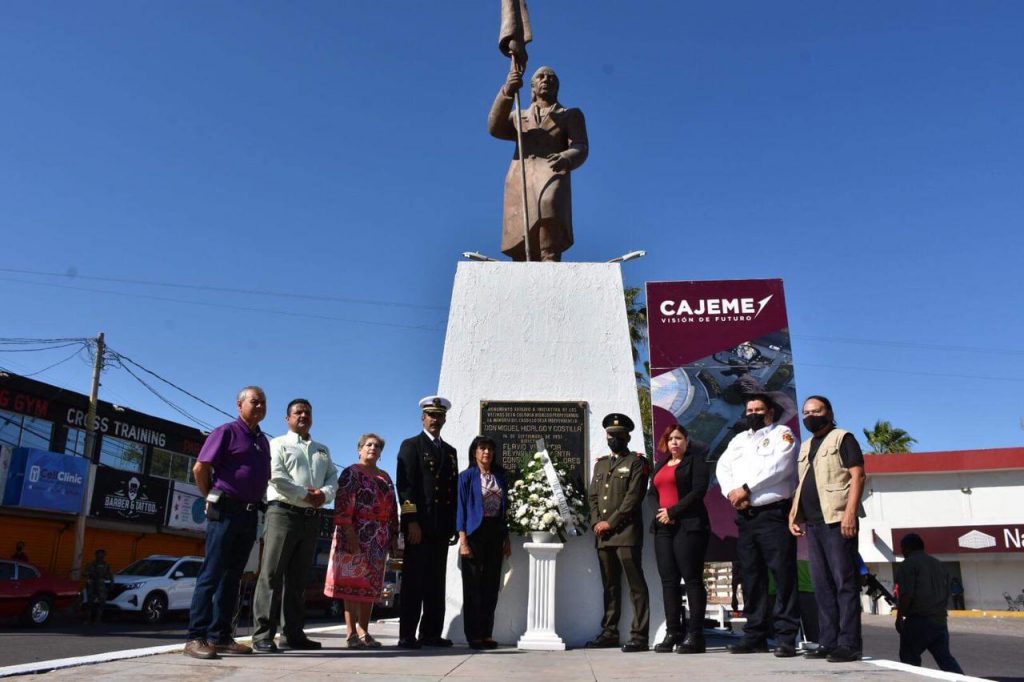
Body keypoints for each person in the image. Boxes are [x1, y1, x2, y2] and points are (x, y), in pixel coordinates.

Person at [185, 386, 271, 660]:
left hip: (249, 515)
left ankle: (221, 636)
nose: (259, 407)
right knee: (211, 574)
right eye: (254, 402)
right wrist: (211, 496)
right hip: (225, 511)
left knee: (232, 578)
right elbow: (201, 468)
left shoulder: (263, 440)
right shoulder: (226, 431)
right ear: (239, 405)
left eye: (263, 403)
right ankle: (195, 637)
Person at [716, 394, 801, 657]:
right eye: (749, 409)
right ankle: (755, 635)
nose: (753, 413)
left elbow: (780, 467)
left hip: (773, 515)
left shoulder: (782, 434)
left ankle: (786, 636)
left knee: (782, 575)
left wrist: (746, 489)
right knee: (752, 577)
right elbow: (723, 466)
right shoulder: (739, 440)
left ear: (770, 412)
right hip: (746, 516)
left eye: (758, 409)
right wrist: (731, 492)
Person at [252, 398, 338, 653]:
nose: (303, 416)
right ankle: (263, 635)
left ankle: (293, 633)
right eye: (298, 412)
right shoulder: (277, 443)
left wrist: (324, 494)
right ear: (288, 418)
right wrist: (305, 494)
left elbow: (333, 477)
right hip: (283, 513)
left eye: (307, 412)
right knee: (272, 574)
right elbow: (276, 477)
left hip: (311, 517)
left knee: (298, 579)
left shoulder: (322, 449)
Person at [788, 395, 866, 663]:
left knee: (844, 582)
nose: (810, 416)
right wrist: (794, 514)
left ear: (830, 412)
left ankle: (849, 643)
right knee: (822, 585)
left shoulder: (843, 438)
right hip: (814, 523)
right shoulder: (807, 445)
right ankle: (828, 640)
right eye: (806, 413)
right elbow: (803, 483)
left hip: (837, 519)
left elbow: (858, 475)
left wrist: (850, 514)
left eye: (816, 411)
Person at [488, 64, 588, 261]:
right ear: (532, 87)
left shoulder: (570, 114)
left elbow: (581, 146)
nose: (546, 80)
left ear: (557, 87)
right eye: (541, 77)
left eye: (551, 78)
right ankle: (522, 261)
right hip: (522, 175)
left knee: (548, 203)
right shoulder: (519, 116)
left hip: (552, 169)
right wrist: (508, 91)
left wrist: (567, 157)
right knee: (521, 222)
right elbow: (495, 127)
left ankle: (549, 254)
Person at [395, 396, 458, 649]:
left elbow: (451, 491)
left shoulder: (450, 452)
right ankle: (407, 634)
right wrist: (411, 522)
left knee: (435, 582)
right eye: (431, 415)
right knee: (414, 582)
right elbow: (406, 488)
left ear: (444, 419)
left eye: (439, 416)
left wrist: (453, 524)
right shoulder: (411, 446)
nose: (435, 420)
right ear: (423, 418)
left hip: (441, 527)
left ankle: (431, 633)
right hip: (419, 527)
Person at [325, 433, 399, 648]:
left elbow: (392, 508)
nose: (373, 448)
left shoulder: (385, 476)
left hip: (379, 538)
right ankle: (351, 635)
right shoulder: (351, 473)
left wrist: (394, 535)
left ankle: (364, 631)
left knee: (371, 587)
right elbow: (343, 505)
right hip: (353, 534)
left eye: (377, 446)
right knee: (352, 586)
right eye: (368, 445)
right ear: (359, 449)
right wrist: (350, 536)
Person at [585, 413, 651, 653]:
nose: (613, 438)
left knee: (636, 586)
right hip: (602, 535)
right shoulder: (600, 464)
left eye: (618, 435)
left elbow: (632, 499)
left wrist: (609, 523)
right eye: (610, 435)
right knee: (610, 586)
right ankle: (610, 632)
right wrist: (595, 522)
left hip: (626, 533)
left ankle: (639, 635)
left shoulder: (637, 462)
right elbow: (593, 497)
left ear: (627, 436)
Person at [647, 424, 710, 654]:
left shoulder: (696, 461)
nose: (674, 442)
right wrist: (662, 513)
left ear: (687, 440)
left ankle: (696, 635)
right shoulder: (661, 464)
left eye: (679, 438)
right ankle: (673, 631)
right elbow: (653, 493)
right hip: (663, 528)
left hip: (689, 526)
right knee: (668, 581)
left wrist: (673, 512)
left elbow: (698, 492)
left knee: (692, 579)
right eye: (670, 438)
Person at [456, 436, 511, 650]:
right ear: (475, 452)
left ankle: (487, 633)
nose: (486, 452)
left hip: (495, 533)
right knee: (473, 587)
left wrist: (506, 538)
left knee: (490, 586)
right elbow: (460, 509)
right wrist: (463, 541)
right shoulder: (466, 477)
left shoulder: (500, 477)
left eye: (490, 449)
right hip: (474, 534)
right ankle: (474, 635)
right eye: (482, 448)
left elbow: (505, 510)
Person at [894, 533, 964, 674]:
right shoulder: (939, 564)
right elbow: (947, 593)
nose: (902, 552)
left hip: (918, 620)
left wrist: (900, 616)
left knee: (909, 659)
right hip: (940, 620)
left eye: (903, 548)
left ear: (907, 548)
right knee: (945, 659)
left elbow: (907, 594)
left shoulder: (907, 565)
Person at [83, 548, 113, 624]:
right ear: (96, 555)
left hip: (101, 585)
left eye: (102, 554)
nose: (100, 556)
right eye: (98, 554)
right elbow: (84, 573)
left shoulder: (107, 565)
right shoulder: (91, 564)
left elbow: (110, 576)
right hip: (92, 584)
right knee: (89, 603)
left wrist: (111, 584)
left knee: (102, 602)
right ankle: (88, 619)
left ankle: (98, 619)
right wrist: (89, 574)